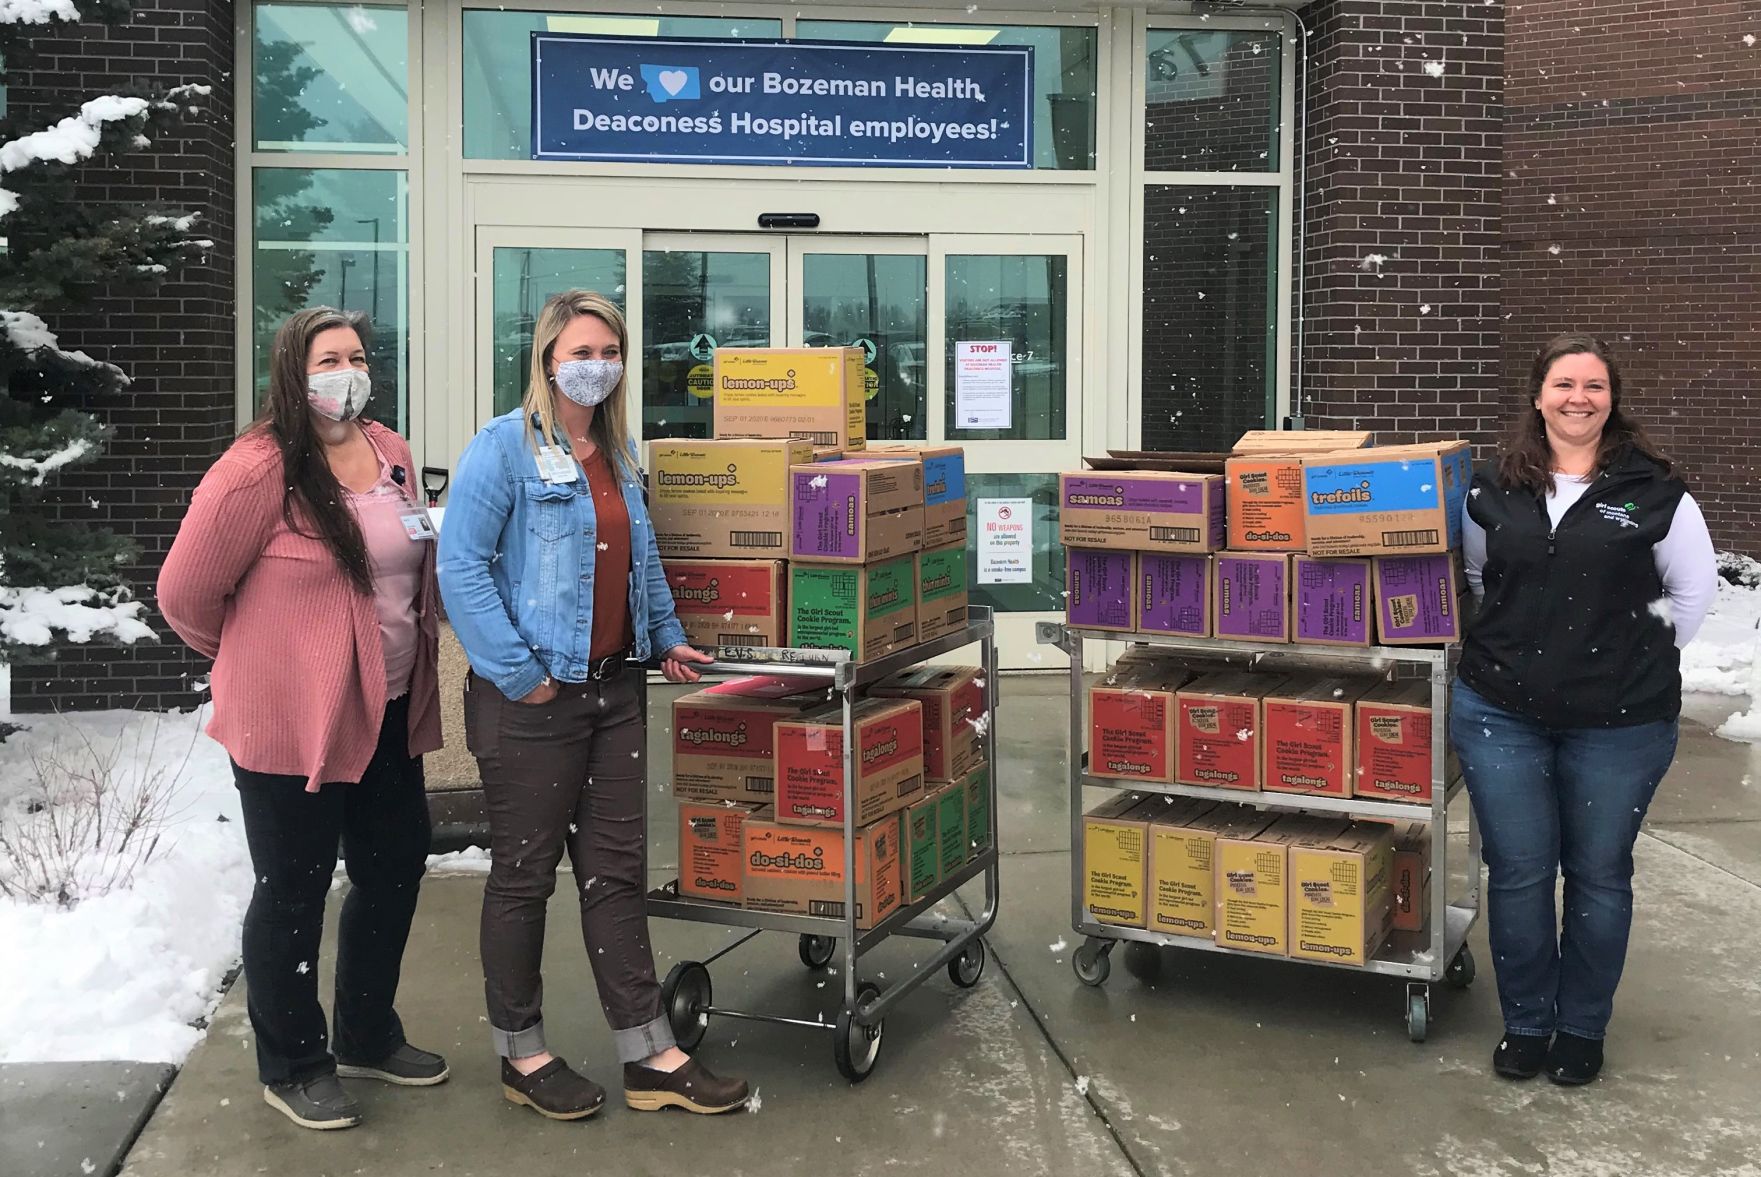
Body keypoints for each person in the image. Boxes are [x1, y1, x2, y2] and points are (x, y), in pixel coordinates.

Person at [437, 289, 747, 1121]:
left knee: (615, 876)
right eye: (580, 351)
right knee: (524, 877)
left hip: (615, 692)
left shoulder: (617, 451)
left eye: (609, 352)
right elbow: (460, 568)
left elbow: (642, 560)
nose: (596, 365)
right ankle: (523, 1054)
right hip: (532, 702)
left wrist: (665, 635)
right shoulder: (502, 449)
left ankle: (650, 1055)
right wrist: (520, 673)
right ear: (547, 359)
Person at [158, 308, 447, 1130]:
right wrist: (262, 659)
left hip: (389, 705)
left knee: (394, 867)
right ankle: (292, 1062)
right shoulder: (254, 471)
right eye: (328, 359)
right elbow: (184, 595)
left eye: (356, 356)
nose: (346, 373)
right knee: (293, 887)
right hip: (289, 722)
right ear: (293, 370)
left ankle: (366, 1032)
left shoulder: (389, 451)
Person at [1451, 332, 1717, 1087]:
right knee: (1519, 872)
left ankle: (1580, 1027)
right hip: (1501, 710)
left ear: (1612, 399)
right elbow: (1482, 579)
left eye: (1593, 386)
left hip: (1620, 723)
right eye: (1563, 384)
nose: (1578, 398)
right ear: (1538, 397)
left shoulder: (1656, 491)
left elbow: (1691, 594)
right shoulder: (1492, 486)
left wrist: (1623, 657)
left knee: (1598, 874)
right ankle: (1527, 1023)